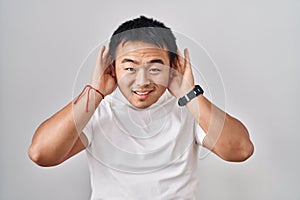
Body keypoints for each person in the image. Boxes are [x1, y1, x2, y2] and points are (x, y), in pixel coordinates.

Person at [28, 16, 254, 199]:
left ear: (173, 66)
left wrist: (189, 94)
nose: (142, 81)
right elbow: (42, 154)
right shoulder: (96, 111)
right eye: (130, 68)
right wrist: (95, 91)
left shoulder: (189, 110)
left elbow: (240, 150)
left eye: (155, 68)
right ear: (112, 68)